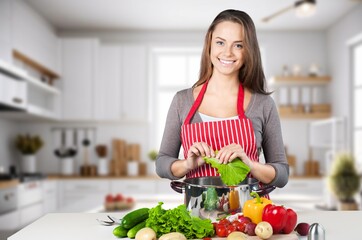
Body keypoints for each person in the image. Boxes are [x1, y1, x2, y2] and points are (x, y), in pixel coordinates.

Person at [156, 9, 289, 189]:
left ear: (248, 50)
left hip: (249, 213)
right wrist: (187, 164)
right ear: (210, 43)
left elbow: (282, 175)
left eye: (238, 45)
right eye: (220, 42)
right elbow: (162, 164)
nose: (227, 53)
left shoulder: (263, 104)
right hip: (199, 213)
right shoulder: (182, 101)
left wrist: (250, 164)